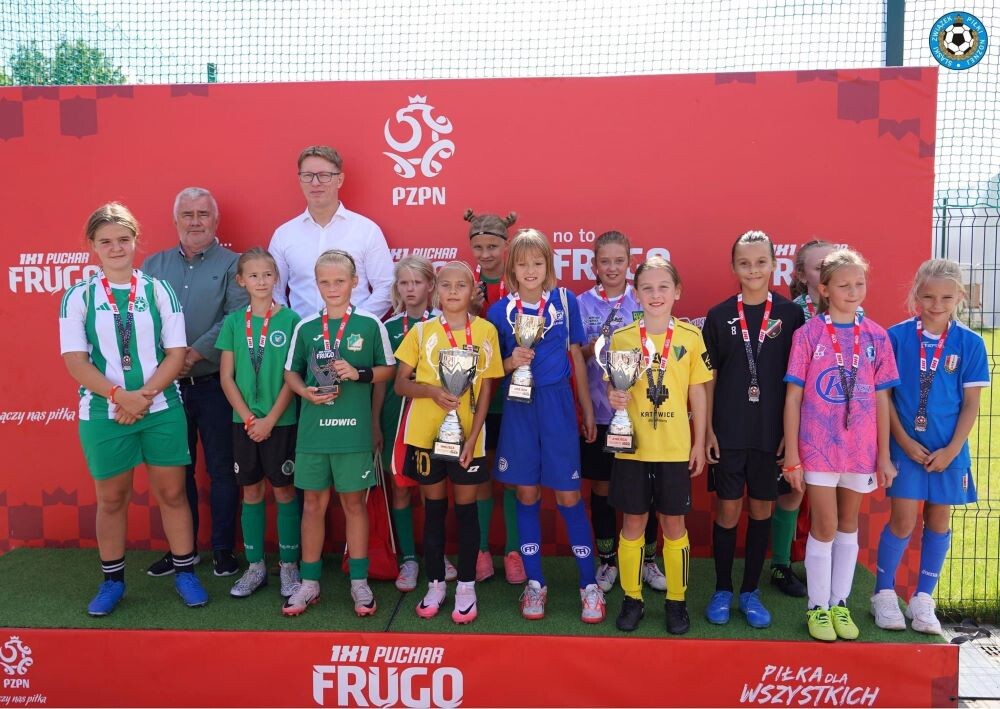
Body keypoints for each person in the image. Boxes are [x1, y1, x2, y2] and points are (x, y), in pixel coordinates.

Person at [60, 203, 208, 616]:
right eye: (106, 241)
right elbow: (75, 361)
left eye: (123, 240)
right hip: (103, 412)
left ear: (135, 241)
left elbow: (176, 353)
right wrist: (117, 396)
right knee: (111, 499)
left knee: (173, 493)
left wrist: (141, 397)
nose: (116, 248)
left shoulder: (158, 290)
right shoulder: (78, 296)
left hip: (160, 407)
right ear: (92, 245)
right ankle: (112, 581)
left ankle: (185, 572)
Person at [782, 248, 899, 642]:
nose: (853, 291)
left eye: (859, 284)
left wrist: (884, 455)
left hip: (861, 450)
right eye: (844, 285)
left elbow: (882, 399)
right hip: (817, 447)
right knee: (825, 524)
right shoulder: (808, 335)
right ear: (825, 289)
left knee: (849, 524)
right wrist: (793, 455)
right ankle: (817, 607)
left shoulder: (877, 336)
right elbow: (793, 398)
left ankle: (839, 603)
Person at [487, 228, 603, 623]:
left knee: (569, 496)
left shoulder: (565, 302)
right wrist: (510, 362)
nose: (531, 270)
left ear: (549, 266)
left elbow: (577, 358)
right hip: (519, 407)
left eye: (538, 262)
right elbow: (490, 368)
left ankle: (589, 585)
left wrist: (587, 410)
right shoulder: (498, 312)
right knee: (526, 493)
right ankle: (535, 584)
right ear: (512, 270)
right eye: (523, 264)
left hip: (557, 406)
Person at [872, 259, 988, 634]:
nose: (936, 305)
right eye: (928, 296)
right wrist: (903, 441)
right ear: (915, 295)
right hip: (906, 448)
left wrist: (952, 450)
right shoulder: (895, 337)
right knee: (903, 520)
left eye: (946, 298)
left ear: (960, 297)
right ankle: (883, 594)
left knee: (938, 520)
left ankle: (923, 599)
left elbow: (971, 404)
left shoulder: (971, 344)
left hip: (948, 452)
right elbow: (884, 397)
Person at [282, 249, 396, 617]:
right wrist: (304, 392)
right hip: (314, 434)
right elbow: (291, 372)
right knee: (312, 506)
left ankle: (359, 582)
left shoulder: (370, 324)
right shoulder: (305, 327)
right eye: (325, 282)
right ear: (316, 284)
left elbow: (388, 370)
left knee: (353, 505)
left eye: (340, 281)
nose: (332, 288)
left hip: (353, 433)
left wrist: (358, 373)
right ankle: (309, 582)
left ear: (354, 282)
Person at [142, 187, 247, 578]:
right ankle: (181, 551)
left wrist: (192, 355)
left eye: (203, 214)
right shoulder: (153, 265)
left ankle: (222, 550)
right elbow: (141, 319)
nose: (196, 221)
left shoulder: (235, 264)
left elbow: (235, 317)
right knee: (175, 472)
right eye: (188, 214)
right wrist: (169, 364)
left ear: (215, 220)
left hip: (215, 384)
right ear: (176, 220)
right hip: (166, 390)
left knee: (221, 470)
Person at [703, 231, 805, 628]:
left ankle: (750, 591)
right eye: (744, 263)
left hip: (771, 435)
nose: (753, 270)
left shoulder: (791, 316)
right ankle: (722, 589)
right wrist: (708, 430)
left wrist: (790, 436)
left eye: (761, 262)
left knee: (763, 508)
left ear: (774, 264)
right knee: (728, 509)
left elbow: (798, 382)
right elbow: (708, 378)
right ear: (733, 267)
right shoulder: (718, 316)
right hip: (728, 432)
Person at [395, 261, 505, 622]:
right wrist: (430, 391)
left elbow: (487, 388)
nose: (453, 291)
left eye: (461, 285)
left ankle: (467, 586)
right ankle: (436, 584)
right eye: (446, 285)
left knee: (467, 511)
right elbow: (400, 384)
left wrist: (474, 437)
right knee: (434, 512)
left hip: (468, 439)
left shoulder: (486, 330)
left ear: (473, 291)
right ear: (436, 291)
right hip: (426, 435)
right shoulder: (422, 331)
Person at [607, 256, 711, 635]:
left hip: (674, 448)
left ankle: (676, 601)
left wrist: (699, 441)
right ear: (635, 294)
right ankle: (632, 598)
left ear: (677, 292)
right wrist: (614, 395)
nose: (655, 294)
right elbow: (614, 386)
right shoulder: (622, 337)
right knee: (633, 523)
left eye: (663, 287)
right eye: (647, 288)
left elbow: (698, 392)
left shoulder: (690, 337)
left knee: (673, 523)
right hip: (633, 448)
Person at [216, 248, 302, 599]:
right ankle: (255, 567)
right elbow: (226, 377)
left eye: (267, 274)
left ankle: (289, 566)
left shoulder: (292, 320)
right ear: (241, 281)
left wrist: (270, 420)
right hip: (245, 423)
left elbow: (293, 376)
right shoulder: (234, 323)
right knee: (251, 491)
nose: (261, 281)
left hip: (281, 421)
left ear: (276, 278)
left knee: (284, 490)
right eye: (253, 276)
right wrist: (251, 418)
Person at [576, 231, 657, 594]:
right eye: (604, 261)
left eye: (619, 261)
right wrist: (591, 348)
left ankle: (648, 560)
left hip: (640, 412)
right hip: (599, 410)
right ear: (594, 265)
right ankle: (608, 561)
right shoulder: (581, 304)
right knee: (603, 487)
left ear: (629, 263)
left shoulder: (642, 298)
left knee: (644, 487)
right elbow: (574, 355)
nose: (612, 268)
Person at [372, 256, 457, 591]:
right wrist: (375, 422)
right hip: (395, 419)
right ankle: (408, 558)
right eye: (404, 283)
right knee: (401, 488)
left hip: (431, 418)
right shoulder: (388, 327)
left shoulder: (443, 324)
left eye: (417, 282)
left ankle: (438, 554)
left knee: (432, 489)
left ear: (430, 285)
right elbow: (383, 380)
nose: (410, 289)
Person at [768, 239, 838, 597]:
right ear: (800, 274)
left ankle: (822, 565)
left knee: (832, 498)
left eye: (833, 263)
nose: (827, 271)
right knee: (793, 493)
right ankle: (780, 564)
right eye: (818, 266)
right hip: (798, 419)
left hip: (837, 425)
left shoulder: (854, 314)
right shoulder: (790, 314)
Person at [465, 208, 525, 584]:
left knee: (514, 476)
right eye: (478, 247)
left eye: (492, 246)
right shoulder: (465, 286)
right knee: (481, 475)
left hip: (516, 396)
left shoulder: (521, 284)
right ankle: (482, 549)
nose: (485, 254)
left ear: (507, 245)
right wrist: (470, 310)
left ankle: (515, 551)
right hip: (478, 399)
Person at [269, 145, 394, 318]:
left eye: (324, 175)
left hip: (355, 332)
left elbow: (387, 286)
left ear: (339, 180)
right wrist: (293, 324)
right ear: (300, 180)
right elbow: (274, 290)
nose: (315, 183)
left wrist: (357, 322)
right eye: (307, 175)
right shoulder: (283, 235)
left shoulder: (367, 230)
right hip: (301, 331)